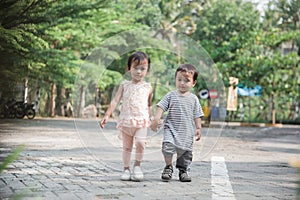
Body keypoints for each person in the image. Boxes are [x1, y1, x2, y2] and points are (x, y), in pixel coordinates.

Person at [100, 51, 153, 182]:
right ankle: (126, 169)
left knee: (140, 143)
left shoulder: (148, 87)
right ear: (128, 68)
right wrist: (107, 115)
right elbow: (115, 100)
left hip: (142, 120)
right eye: (135, 68)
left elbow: (149, 105)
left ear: (147, 70)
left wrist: (153, 120)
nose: (139, 72)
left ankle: (137, 166)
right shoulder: (124, 85)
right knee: (127, 147)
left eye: (142, 68)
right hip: (126, 120)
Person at [150, 64, 203, 182]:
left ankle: (183, 171)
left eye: (186, 80)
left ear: (193, 83)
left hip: (187, 132)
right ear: (175, 80)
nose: (182, 83)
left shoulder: (194, 99)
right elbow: (161, 106)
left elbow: (197, 114)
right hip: (171, 128)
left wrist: (198, 128)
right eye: (179, 79)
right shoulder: (171, 95)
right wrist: (156, 118)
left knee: (185, 153)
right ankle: (168, 167)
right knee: (167, 147)